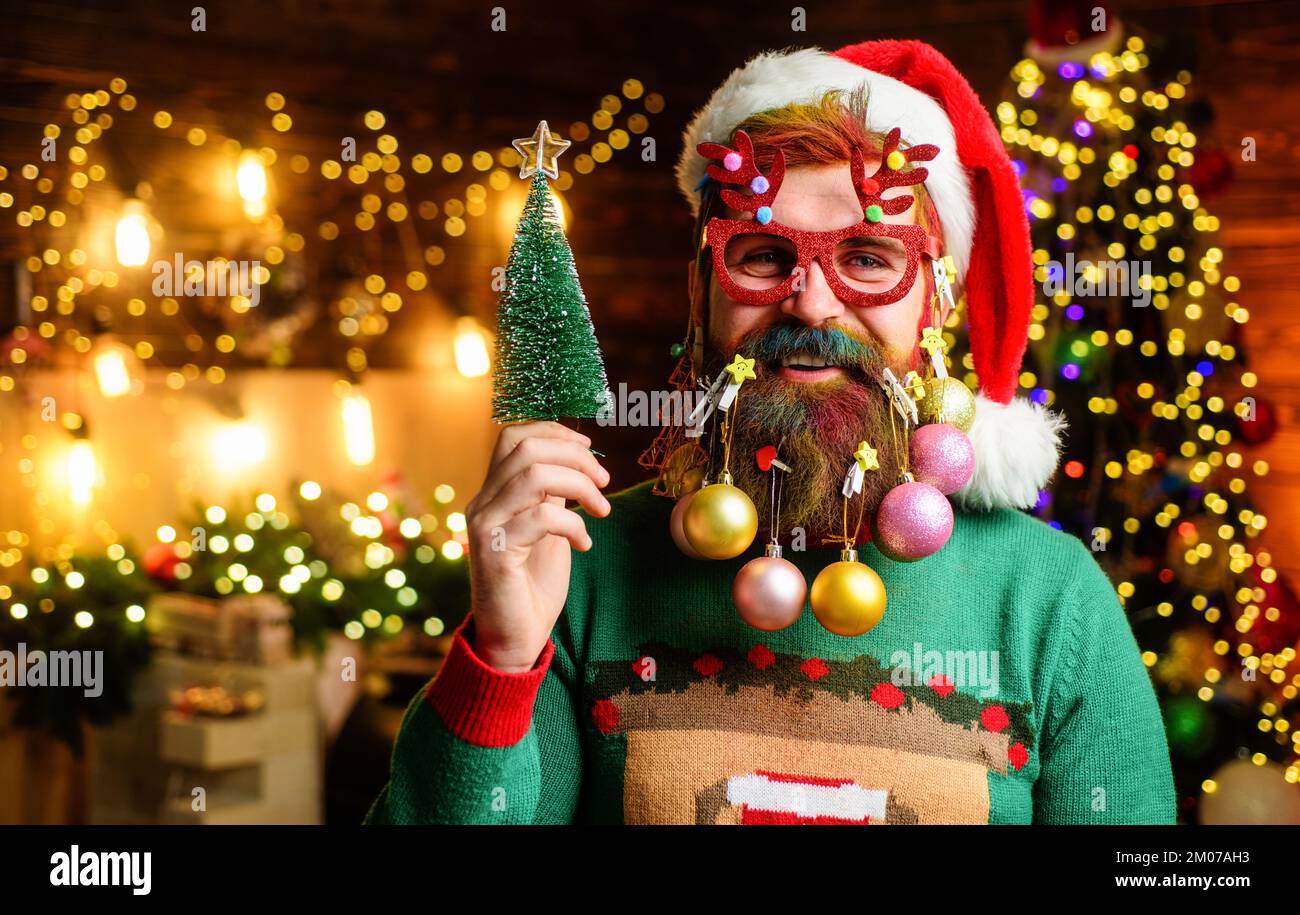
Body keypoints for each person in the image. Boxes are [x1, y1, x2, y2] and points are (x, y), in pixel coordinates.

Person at [365, 40, 1176, 825]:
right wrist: (502, 660)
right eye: (760, 255)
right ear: (700, 291)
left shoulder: (1053, 601)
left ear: (936, 301)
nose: (812, 304)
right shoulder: (578, 570)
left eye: (866, 257)